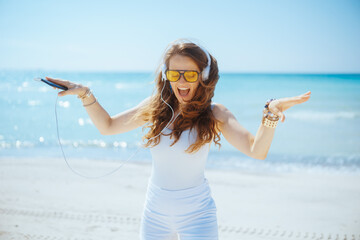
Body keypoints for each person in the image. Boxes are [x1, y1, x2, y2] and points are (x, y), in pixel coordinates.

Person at [46, 39, 311, 240]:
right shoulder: (156, 107)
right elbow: (108, 126)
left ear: (204, 78)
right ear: (166, 75)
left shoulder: (215, 113)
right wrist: (84, 94)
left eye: (190, 74)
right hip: (154, 215)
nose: (181, 81)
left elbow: (257, 150)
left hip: (198, 216)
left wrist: (270, 115)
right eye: (175, 74)